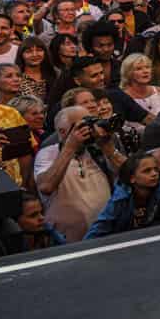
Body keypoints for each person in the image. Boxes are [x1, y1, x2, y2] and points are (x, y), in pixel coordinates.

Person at [35, 104, 122, 243]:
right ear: (63, 132)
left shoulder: (97, 149)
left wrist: (108, 148)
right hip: (65, 243)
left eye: (90, 123)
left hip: (106, 234)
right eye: (82, 126)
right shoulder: (47, 153)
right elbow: (46, 186)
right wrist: (70, 146)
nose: (88, 130)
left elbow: (131, 175)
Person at [83, 148, 160, 238]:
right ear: (132, 178)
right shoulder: (119, 200)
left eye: (156, 169)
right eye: (147, 171)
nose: (154, 174)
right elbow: (98, 230)